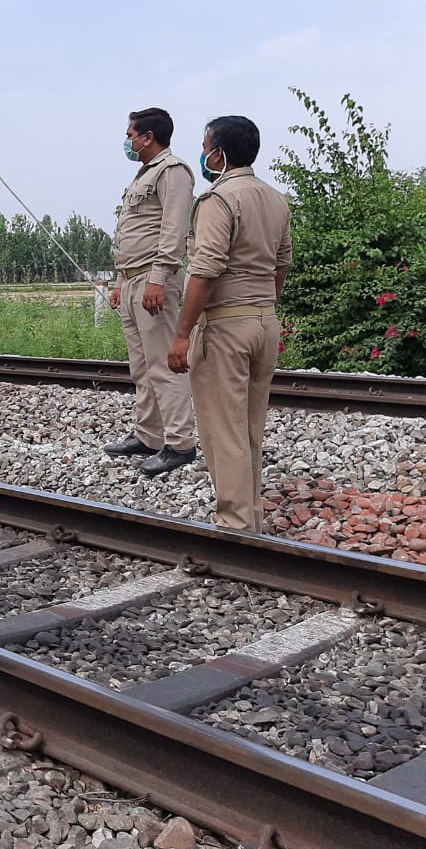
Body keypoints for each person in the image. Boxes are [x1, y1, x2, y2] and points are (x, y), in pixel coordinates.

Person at [167, 116, 292, 533]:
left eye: (206, 146)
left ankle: (235, 526)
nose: (204, 154)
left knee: (224, 430)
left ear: (218, 154)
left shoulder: (219, 200)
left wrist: (183, 333)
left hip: (225, 326)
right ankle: (251, 517)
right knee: (251, 425)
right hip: (264, 322)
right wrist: (263, 307)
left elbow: (204, 272)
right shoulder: (275, 199)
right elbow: (281, 264)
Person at [104, 107, 198, 476]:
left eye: (131, 134)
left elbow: (173, 229)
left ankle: (180, 443)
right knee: (142, 366)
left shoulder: (173, 172)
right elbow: (134, 234)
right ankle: (148, 434)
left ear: (148, 136)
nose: (128, 141)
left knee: (163, 364)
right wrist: (122, 281)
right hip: (134, 279)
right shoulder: (144, 174)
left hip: (154, 280)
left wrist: (158, 278)